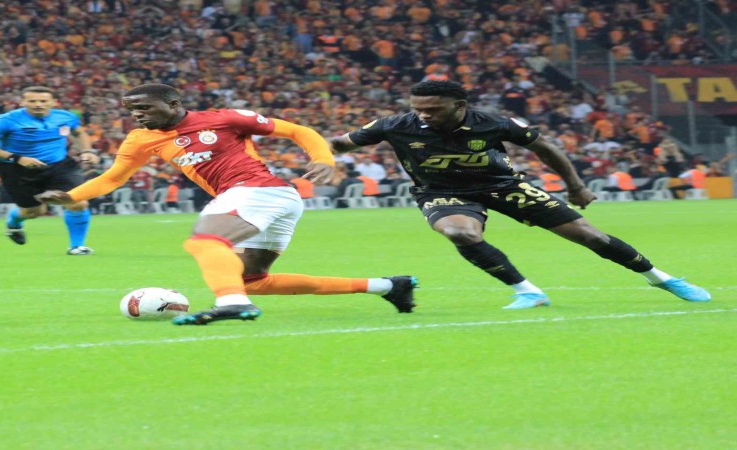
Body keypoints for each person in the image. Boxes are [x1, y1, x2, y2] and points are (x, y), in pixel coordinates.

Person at [36, 83, 418, 325]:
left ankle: (231, 303)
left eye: (145, 108)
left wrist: (323, 158)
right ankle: (388, 286)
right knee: (254, 281)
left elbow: (297, 130)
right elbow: (113, 178)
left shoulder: (225, 119)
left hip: (258, 190)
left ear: (173, 103)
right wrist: (72, 196)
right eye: (132, 110)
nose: (137, 115)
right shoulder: (140, 139)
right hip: (265, 198)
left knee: (206, 242)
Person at [329, 80, 711, 309]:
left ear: (459, 106)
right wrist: (319, 154)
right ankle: (528, 292)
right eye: (418, 109)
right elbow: (339, 143)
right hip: (441, 191)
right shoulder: (395, 125)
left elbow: (545, 148)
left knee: (589, 236)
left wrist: (575, 185)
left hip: (504, 186)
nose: (423, 115)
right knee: (460, 232)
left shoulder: (493, 123)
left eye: (433, 109)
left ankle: (661, 278)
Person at [0, 86, 95, 255]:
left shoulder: (65, 117)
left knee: (77, 202)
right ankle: (14, 222)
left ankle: (77, 246)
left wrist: (87, 151)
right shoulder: (7, 120)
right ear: (23, 102)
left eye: (43, 101)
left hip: (59, 166)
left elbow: (79, 133)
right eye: (32, 101)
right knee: (34, 212)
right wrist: (18, 158)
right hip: (17, 169)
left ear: (53, 102)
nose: (38, 104)